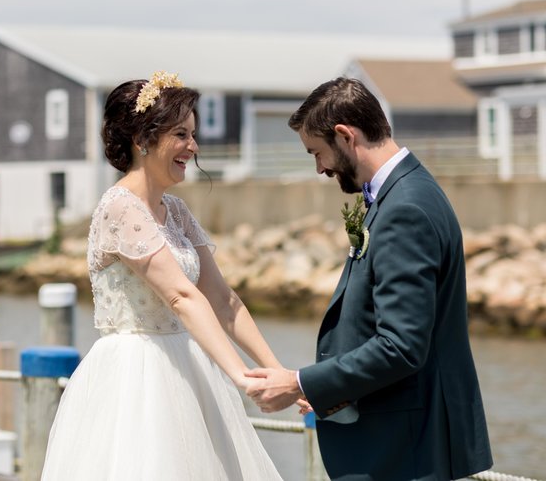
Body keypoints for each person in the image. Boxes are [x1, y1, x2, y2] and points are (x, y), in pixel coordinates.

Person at [244, 77, 493, 481]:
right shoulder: (403, 192)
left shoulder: (404, 208)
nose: (320, 167)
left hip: (403, 448)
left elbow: (401, 345)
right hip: (400, 438)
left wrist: (299, 382)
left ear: (345, 136)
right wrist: (326, 392)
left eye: (317, 152)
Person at [41, 72, 285, 480]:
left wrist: (276, 373)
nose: (193, 147)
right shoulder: (121, 207)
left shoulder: (176, 212)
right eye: (180, 134)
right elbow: (182, 297)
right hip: (136, 380)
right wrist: (242, 378)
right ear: (142, 140)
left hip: (189, 370)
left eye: (193, 134)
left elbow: (223, 300)